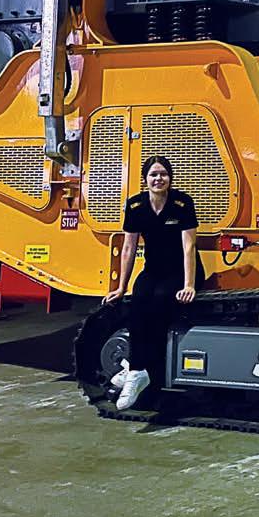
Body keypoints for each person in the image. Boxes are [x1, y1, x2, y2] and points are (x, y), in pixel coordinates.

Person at [102, 155, 203, 410]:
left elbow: (189, 246)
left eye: (163, 174)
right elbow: (128, 248)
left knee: (160, 301)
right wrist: (121, 287)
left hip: (180, 271)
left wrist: (189, 285)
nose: (159, 179)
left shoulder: (182, 203)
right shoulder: (135, 206)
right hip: (154, 270)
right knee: (138, 301)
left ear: (170, 178)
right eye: (154, 174)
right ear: (145, 179)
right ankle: (138, 370)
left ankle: (136, 369)